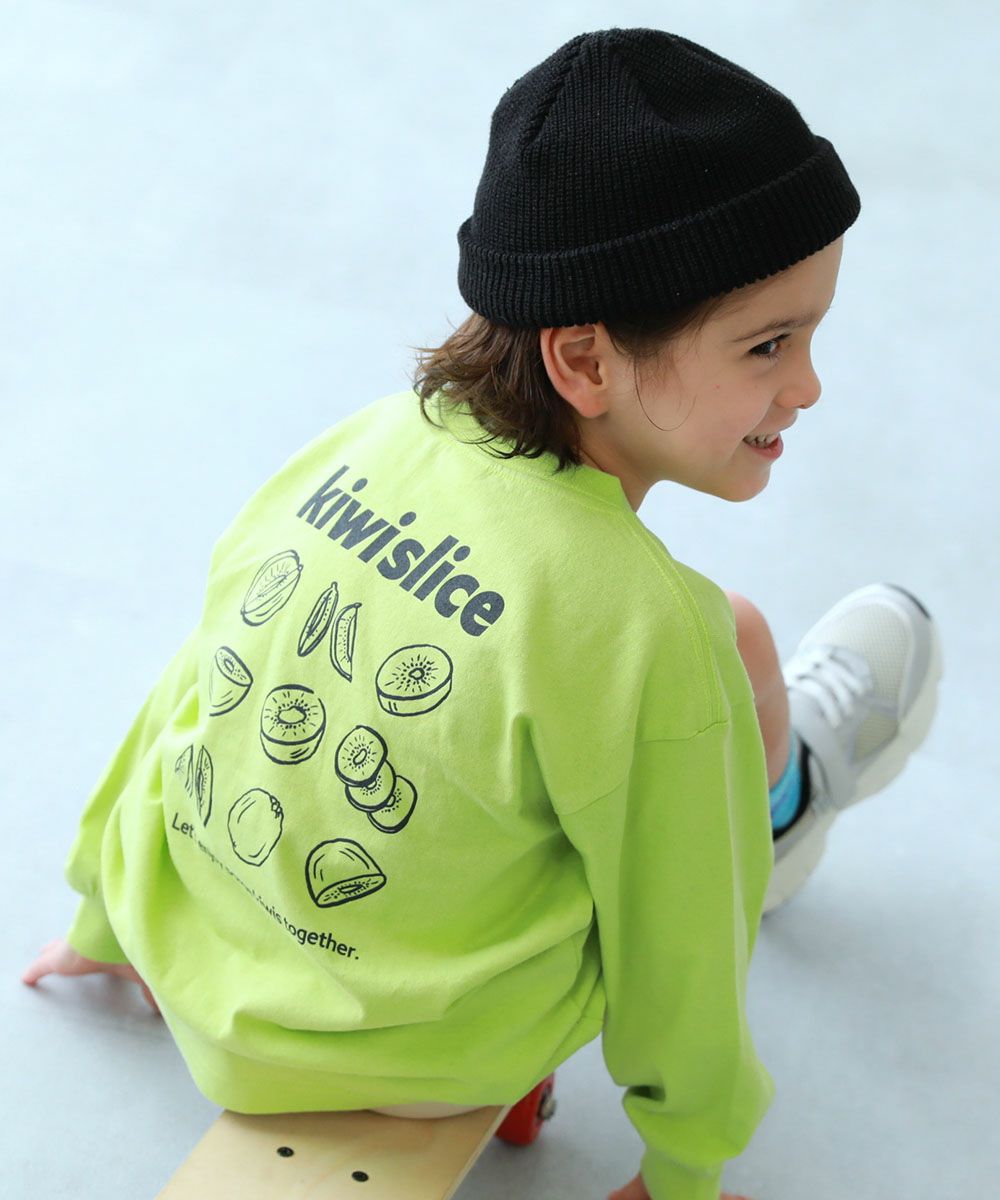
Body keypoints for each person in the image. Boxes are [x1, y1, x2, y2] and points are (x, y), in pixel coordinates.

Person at [21, 27, 942, 1200]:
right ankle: (779, 808)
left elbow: (195, 683)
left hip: (197, 956)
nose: (806, 385)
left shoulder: (362, 442)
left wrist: (104, 908)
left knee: (665, 658)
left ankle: (756, 796)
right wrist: (687, 1163)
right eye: (768, 345)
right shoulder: (649, 630)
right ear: (584, 360)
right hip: (415, 1055)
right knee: (715, 672)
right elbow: (680, 943)